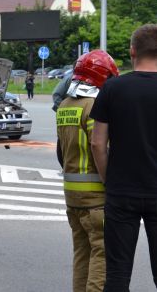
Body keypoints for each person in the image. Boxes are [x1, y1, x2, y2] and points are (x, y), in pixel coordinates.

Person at [90, 24, 157, 291]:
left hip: (121, 193)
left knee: (117, 274)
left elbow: (97, 143)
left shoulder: (112, 88)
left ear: (132, 51)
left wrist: (110, 180)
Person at [56, 50, 119, 292]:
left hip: (72, 196)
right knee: (101, 255)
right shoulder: (94, 105)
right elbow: (99, 145)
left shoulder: (64, 105)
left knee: (81, 254)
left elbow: (61, 153)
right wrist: (111, 183)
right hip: (96, 198)